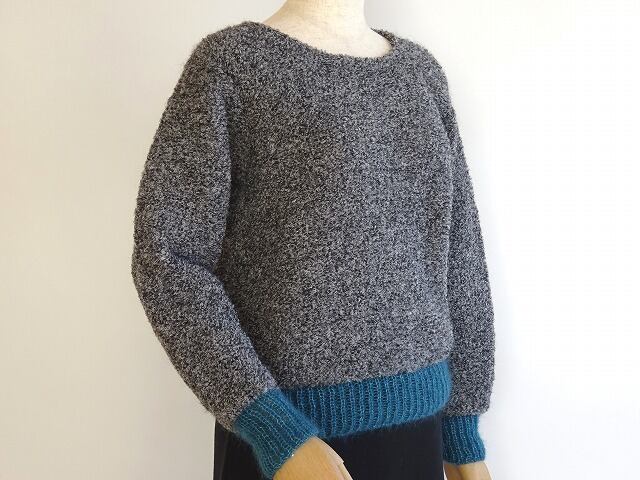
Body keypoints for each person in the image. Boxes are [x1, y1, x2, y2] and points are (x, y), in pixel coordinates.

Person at [130, 3, 497, 480]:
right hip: (285, 445)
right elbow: (167, 259)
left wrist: (462, 430)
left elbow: (460, 255)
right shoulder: (232, 65)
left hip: (419, 435)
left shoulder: (420, 74)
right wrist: (275, 430)